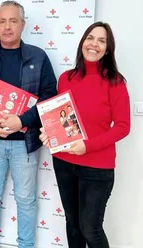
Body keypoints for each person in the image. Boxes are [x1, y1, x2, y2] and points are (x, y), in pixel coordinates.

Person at [0, 1, 57, 247]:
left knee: (26, 200)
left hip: (24, 144)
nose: (7, 27)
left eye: (13, 21)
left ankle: (26, 245)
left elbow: (49, 95)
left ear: (23, 24)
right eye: (2, 21)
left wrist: (23, 120)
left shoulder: (38, 56)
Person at [39, 22, 130, 248]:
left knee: (90, 227)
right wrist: (49, 133)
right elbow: (61, 118)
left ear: (107, 49)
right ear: (82, 43)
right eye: (90, 38)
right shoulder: (66, 78)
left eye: (101, 41)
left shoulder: (115, 82)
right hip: (64, 162)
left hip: (98, 168)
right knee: (73, 224)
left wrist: (86, 146)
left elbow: (122, 126)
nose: (94, 44)